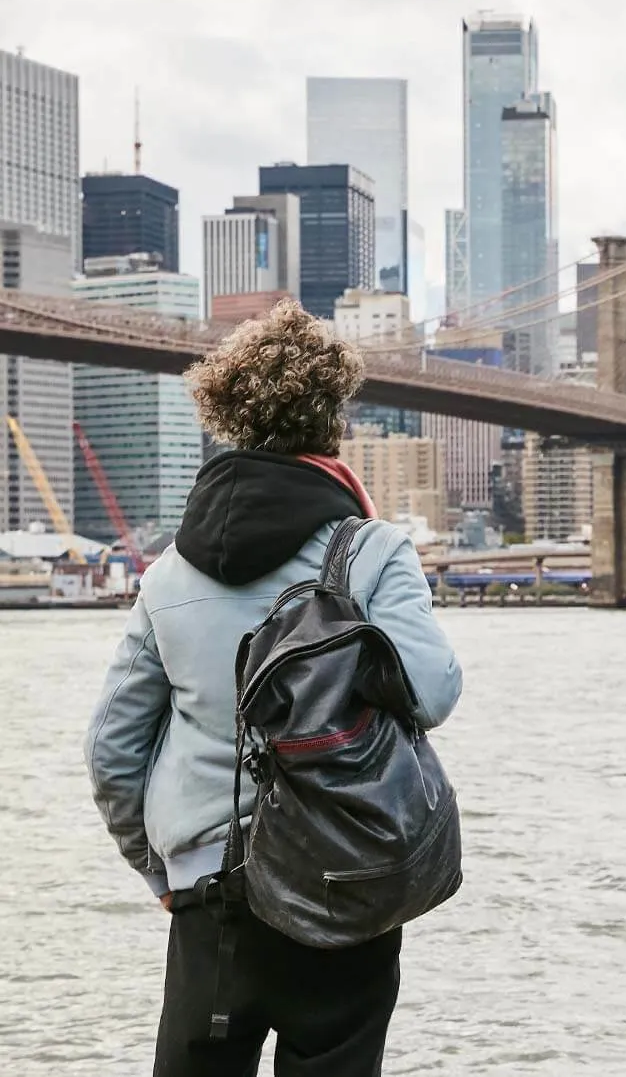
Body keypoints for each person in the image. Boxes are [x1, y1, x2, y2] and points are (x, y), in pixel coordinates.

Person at [85, 301, 462, 1077]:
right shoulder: (373, 550)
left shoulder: (166, 574)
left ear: (227, 418)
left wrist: (158, 870)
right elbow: (431, 693)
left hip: (206, 889)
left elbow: (112, 750)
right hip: (344, 880)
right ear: (333, 419)